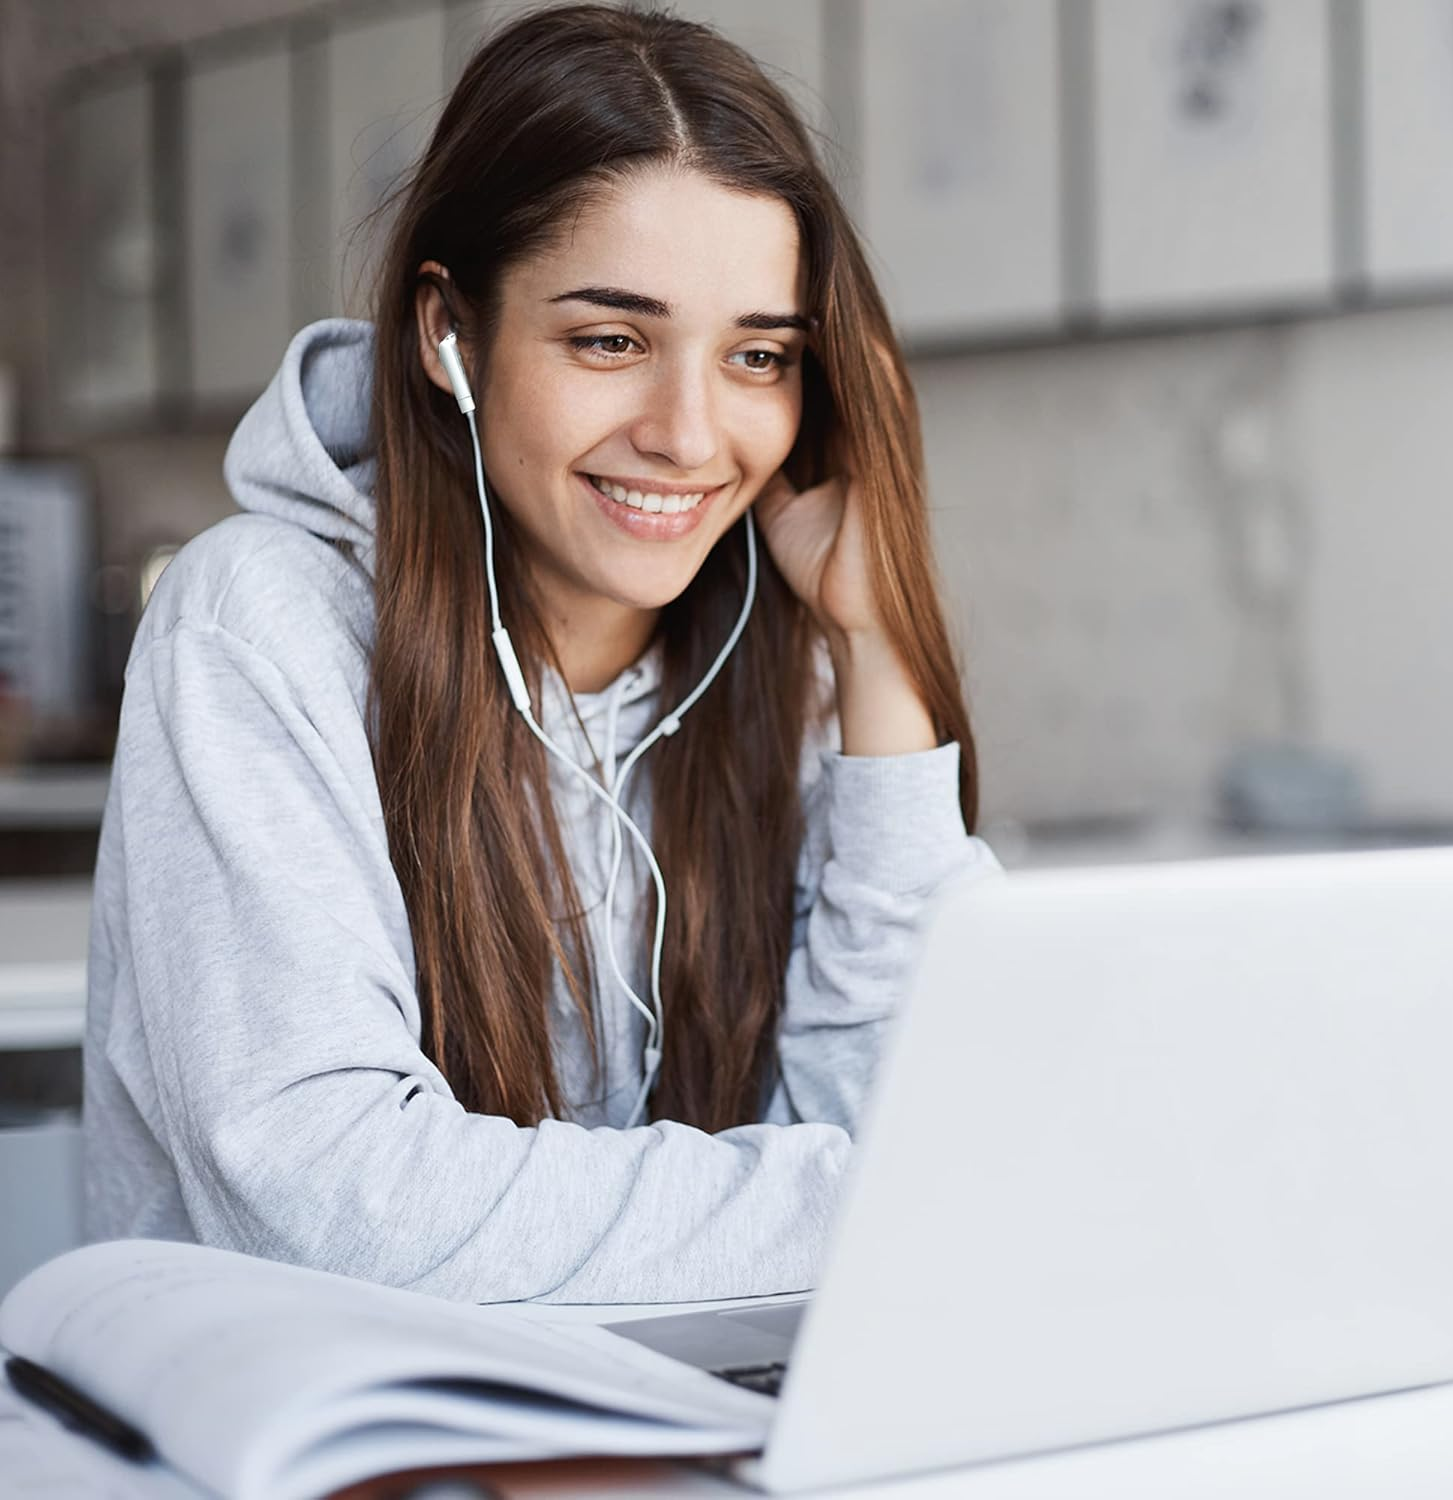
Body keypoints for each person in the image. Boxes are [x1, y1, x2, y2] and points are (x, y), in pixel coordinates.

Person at [82, 3, 998, 1303]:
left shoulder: (770, 656)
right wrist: (890, 1202)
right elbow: (331, 1197)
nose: (689, 434)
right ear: (448, 331)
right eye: (610, 340)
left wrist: (877, 644)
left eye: (758, 356)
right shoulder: (261, 623)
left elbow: (924, 1104)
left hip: (661, 1425)